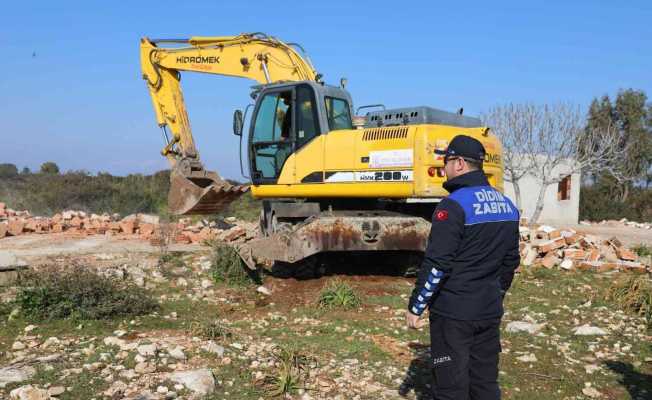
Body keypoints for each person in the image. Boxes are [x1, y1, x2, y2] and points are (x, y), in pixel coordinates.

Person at [405, 134, 520, 400]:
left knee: (450, 387)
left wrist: (417, 305)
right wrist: (495, 294)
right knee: (485, 383)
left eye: (446, 161)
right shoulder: (507, 206)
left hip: (453, 315)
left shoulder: (452, 206)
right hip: (488, 310)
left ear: (458, 164)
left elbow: (437, 264)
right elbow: (510, 262)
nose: (444, 168)